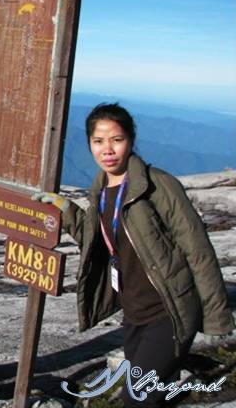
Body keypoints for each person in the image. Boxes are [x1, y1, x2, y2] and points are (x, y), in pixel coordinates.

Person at [34, 103, 234, 407]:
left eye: (116, 139)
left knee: (137, 399)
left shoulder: (158, 186)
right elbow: (97, 241)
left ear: (131, 139)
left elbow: (198, 251)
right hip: (134, 315)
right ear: (89, 144)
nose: (108, 149)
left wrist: (217, 319)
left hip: (170, 313)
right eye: (98, 141)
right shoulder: (100, 190)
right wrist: (65, 210)